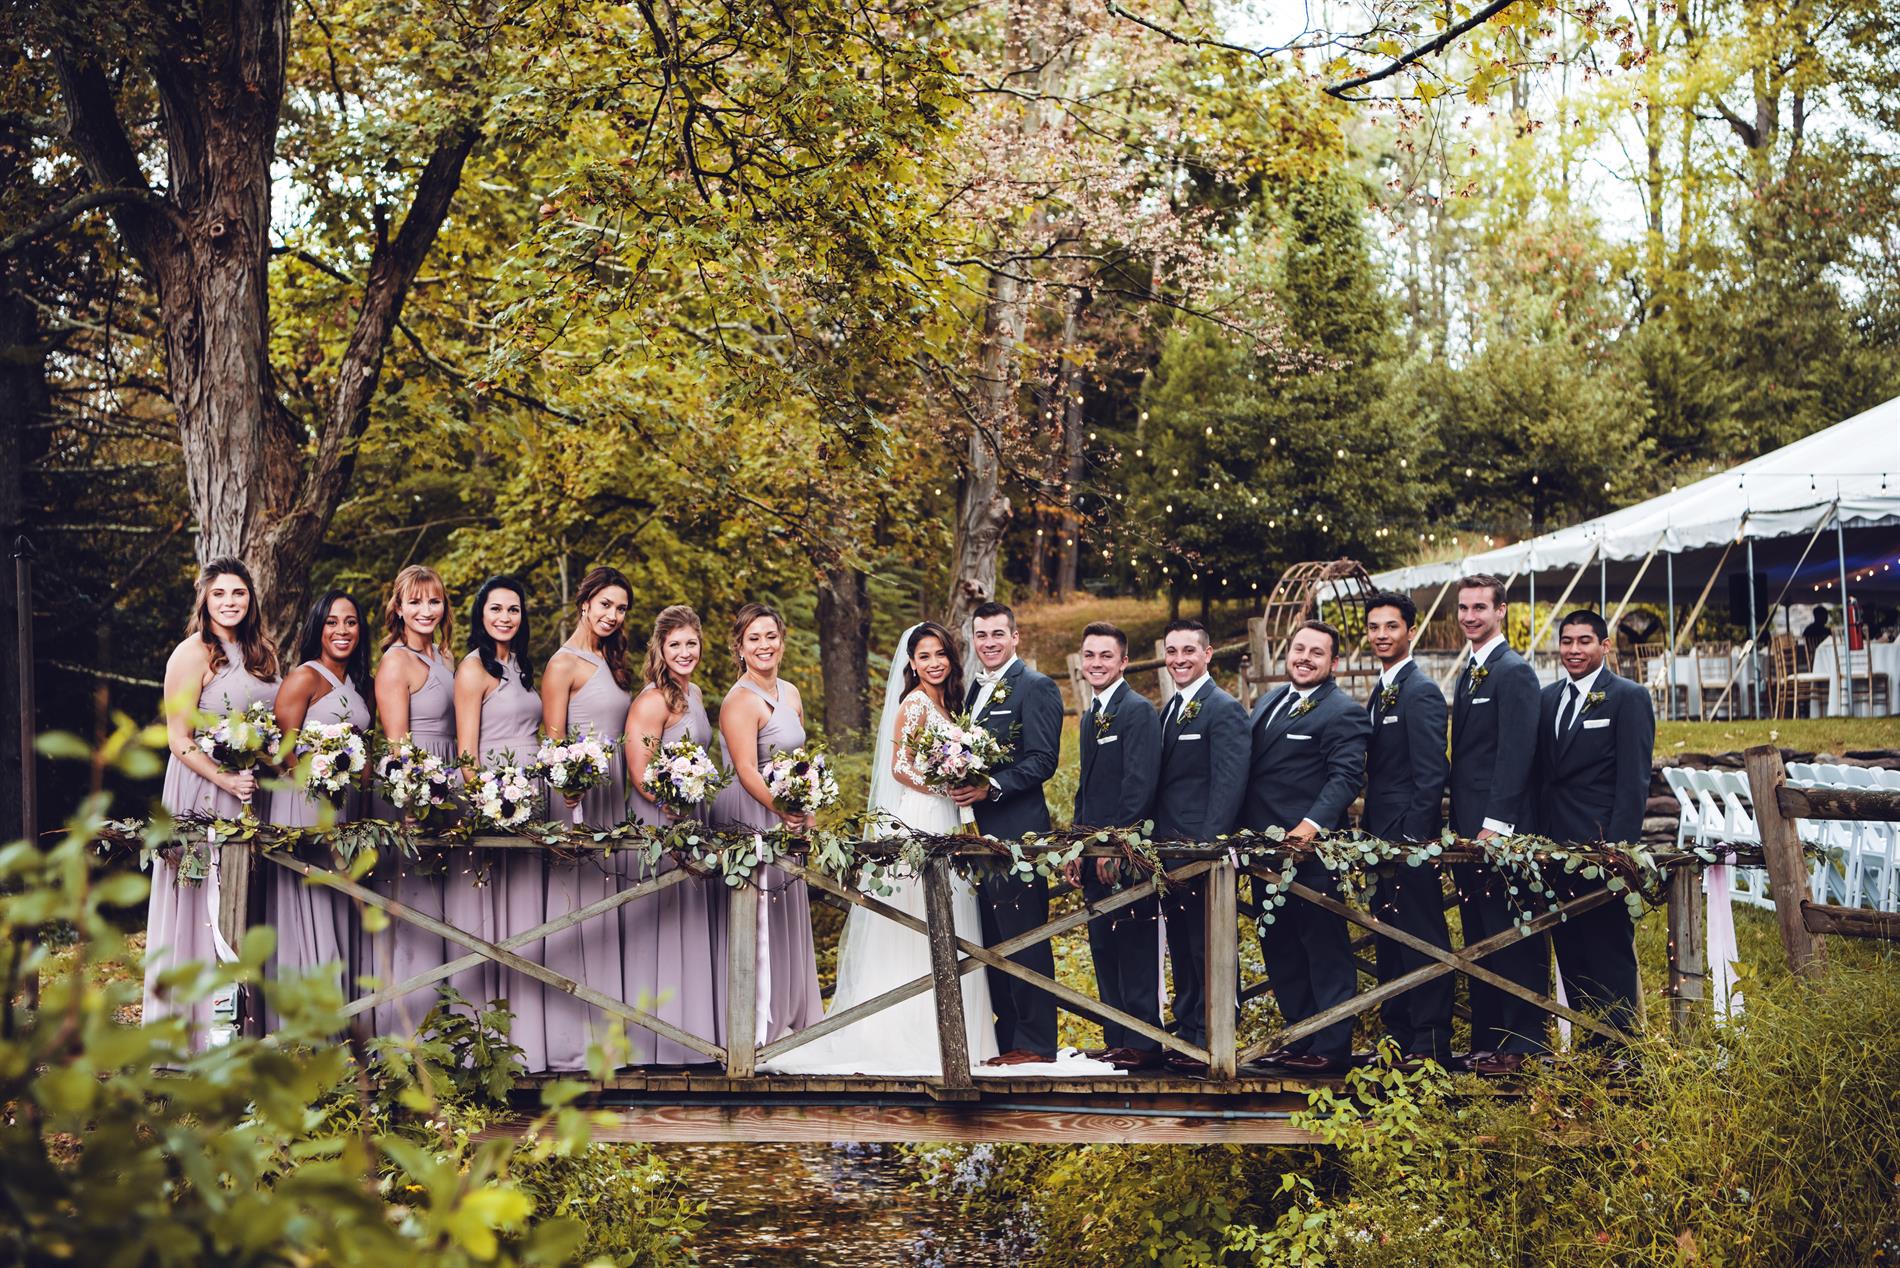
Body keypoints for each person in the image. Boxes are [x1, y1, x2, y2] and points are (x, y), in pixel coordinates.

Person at [762, 622, 999, 1075]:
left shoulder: (950, 704)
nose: (934, 663)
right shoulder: (914, 704)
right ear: (912, 663)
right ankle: (908, 1029)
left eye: (940, 654)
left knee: (951, 914)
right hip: (923, 816)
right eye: (924, 656)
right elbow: (899, 767)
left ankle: (960, 1033)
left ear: (951, 658)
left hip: (948, 817)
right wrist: (945, 784)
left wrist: (962, 777)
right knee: (915, 923)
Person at [149, 557, 281, 1048]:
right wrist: (225, 779)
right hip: (204, 789)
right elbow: (178, 738)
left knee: (246, 900)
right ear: (204, 599)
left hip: (252, 791)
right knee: (204, 900)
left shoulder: (263, 652)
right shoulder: (190, 654)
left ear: (251, 599)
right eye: (220, 593)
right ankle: (193, 1033)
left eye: (239, 593)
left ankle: (241, 1030)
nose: (230, 602)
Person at [1245, 620, 1371, 1075]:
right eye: (1299, 648)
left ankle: (1332, 1046)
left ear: (1333, 663)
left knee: (1323, 947)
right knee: (1279, 945)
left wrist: (1310, 827)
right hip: (1264, 850)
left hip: (1310, 852)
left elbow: (1346, 777)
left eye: (1317, 652)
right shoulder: (1269, 701)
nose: (1304, 658)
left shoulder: (1343, 711)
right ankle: (1298, 1037)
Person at [1533, 611, 1655, 1046]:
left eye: (1584, 641)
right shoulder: (1547, 699)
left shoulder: (1628, 697)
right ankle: (1589, 1044)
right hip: (1552, 848)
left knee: (1609, 949)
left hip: (1601, 848)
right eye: (1566, 641)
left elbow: (1634, 780)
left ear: (1605, 646)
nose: (1574, 650)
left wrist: (1617, 850)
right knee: (1571, 949)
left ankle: (1622, 1050)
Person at [954, 600, 1066, 1066]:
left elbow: (1043, 760)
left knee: (1025, 937)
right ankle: (1006, 1036)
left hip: (1019, 835)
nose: (989, 643)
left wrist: (991, 787)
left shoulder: (1036, 686)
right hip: (978, 838)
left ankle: (1036, 1043)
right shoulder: (973, 691)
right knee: (992, 938)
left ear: (1015, 637)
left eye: (998, 634)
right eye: (981, 635)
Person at [709, 603, 824, 1043]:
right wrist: (783, 809)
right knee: (758, 915)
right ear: (739, 648)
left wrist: (807, 805)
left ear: (782, 641)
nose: (764, 645)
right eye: (753, 638)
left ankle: (792, 1014)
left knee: (785, 911)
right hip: (751, 814)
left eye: (770, 636)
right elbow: (746, 770)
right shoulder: (739, 701)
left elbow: (799, 761)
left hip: (785, 814)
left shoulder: (790, 693)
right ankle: (758, 1028)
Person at [1447, 573, 1546, 1076]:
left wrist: (1497, 822)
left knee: (1513, 935)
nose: (1469, 617)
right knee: (1480, 936)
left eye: (1479, 608)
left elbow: (1516, 752)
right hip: (1468, 829)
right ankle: (1488, 1041)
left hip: (1500, 830)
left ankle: (1525, 1045)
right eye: (1464, 608)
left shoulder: (1514, 671)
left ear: (1501, 610)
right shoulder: (1470, 672)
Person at [620, 604, 727, 1067]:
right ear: (660, 649)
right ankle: (653, 1042)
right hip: (661, 821)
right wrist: (672, 801)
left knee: (689, 921)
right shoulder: (652, 701)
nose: (685, 652)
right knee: (660, 922)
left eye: (691, 643)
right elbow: (640, 772)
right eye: (675, 645)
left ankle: (693, 1035)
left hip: (692, 817)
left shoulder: (694, 693)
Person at [538, 566, 634, 1070]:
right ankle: (571, 1039)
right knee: (575, 908)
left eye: (621, 609)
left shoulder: (609, 660)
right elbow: (552, 742)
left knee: (608, 908)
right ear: (585, 604)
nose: (612, 616)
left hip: (614, 794)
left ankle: (609, 1032)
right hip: (576, 795)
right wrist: (570, 795)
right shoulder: (563, 664)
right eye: (605, 605)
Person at [266, 590, 371, 1031]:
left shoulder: (357, 684)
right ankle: (306, 1028)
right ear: (317, 629)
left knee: (336, 906)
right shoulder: (304, 678)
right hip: (303, 804)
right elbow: (279, 749)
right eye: (332, 622)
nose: (342, 630)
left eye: (350, 622)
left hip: (342, 808)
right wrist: (315, 780)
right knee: (308, 903)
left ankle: (339, 1023)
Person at [1148, 619, 1249, 1076]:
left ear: (1208, 654)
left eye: (1188, 650)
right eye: (1172, 651)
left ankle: (1213, 1035)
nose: (1179, 659)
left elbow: (1228, 785)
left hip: (1202, 854)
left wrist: (1207, 851)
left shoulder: (1223, 708)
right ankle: (1188, 1030)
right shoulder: (1170, 709)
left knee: (1209, 947)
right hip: (1169, 853)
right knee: (1184, 948)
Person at [453, 576, 546, 1065]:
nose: (505, 617)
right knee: (492, 912)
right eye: (496, 609)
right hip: (497, 799)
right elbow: (467, 754)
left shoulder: (522, 666)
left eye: (513, 609)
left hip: (533, 795)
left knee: (528, 912)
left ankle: (530, 1030)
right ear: (481, 614)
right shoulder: (473, 669)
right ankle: (485, 1035)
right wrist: (493, 806)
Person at [1360, 591, 1454, 1067]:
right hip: (1379, 838)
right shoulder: (1381, 691)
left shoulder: (1421, 691)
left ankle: (1431, 1040)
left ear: (1410, 632)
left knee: (1421, 936)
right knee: (1389, 938)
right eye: (1374, 627)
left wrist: (1413, 842)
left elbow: (1431, 774)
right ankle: (1396, 1036)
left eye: (1391, 626)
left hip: (1409, 841)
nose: (1381, 635)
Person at [362, 564, 457, 1037]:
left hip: (450, 784)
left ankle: (449, 1022)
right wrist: (412, 804)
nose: (426, 610)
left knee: (448, 904)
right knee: (413, 908)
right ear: (397, 608)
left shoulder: (446, 656)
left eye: (434, 601)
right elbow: (398, 745)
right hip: (415, 791)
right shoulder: (395, 663)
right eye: (415, 601)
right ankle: (406, 1033)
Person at [1067, 621, 1163, 1070]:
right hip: (1092, 854)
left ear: (1124, 661)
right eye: (1089, 655)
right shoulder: (1091, 715)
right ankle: (1116, 1037)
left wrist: (1117, 845)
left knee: (1134, 943)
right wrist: (1075, 847)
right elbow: (1085, 789)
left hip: (1125, 854)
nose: (1096, 663)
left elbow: (1139, 785)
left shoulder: (1138, 711)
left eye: (1106, 655)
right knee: (1104, 946)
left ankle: (1143, 1042)